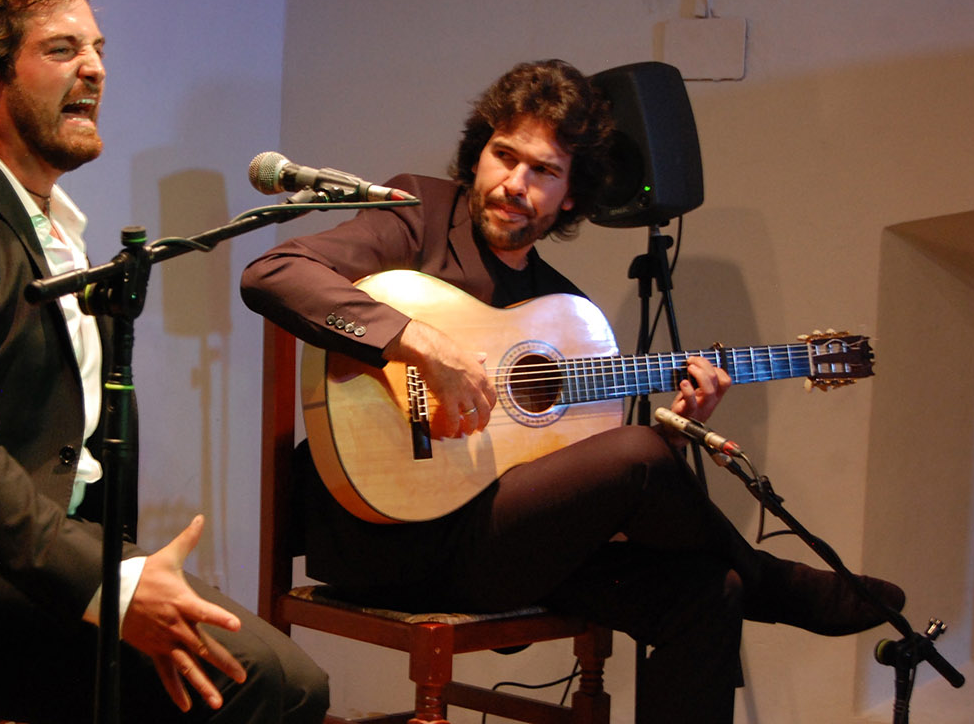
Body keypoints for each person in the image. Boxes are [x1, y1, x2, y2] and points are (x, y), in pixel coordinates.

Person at [239, 58, 904, 722]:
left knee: (709, 587)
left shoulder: (567, 316)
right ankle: (779, 585)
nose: (514, 183)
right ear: (480, 154)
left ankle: (750, 581)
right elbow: (274, 273)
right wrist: (416, 342)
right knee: (643, 457)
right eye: (504, 156)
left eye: (543, 172)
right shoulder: (419, 215)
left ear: (572, 199)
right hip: (384, 540)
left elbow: (563, 473)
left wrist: (681, 419)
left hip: (494, 544)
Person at [0, 0, 328, 724]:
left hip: (31, 573)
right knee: (264, 682)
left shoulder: (51, 225)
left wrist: (119, 565)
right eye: (62, 50)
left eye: (97, 50)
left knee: (285, 680)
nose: (94, 70)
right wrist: (113, 588)